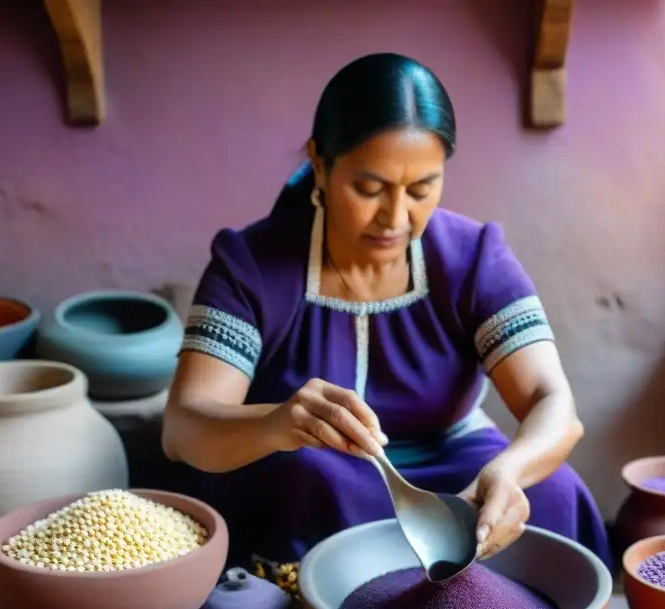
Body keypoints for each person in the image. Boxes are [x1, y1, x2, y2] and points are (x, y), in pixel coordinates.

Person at [162, 52, 611, 572]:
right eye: (368, 189)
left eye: (422, 189)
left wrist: (508, 471)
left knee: (550, 491)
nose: (396, 218)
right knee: (310, 479)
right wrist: (276, 424)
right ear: (320, 163)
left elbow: (553, 402)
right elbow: (183, 428)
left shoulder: (473, 258)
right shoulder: (251, 266)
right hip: (309, 469)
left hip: (453, 461)